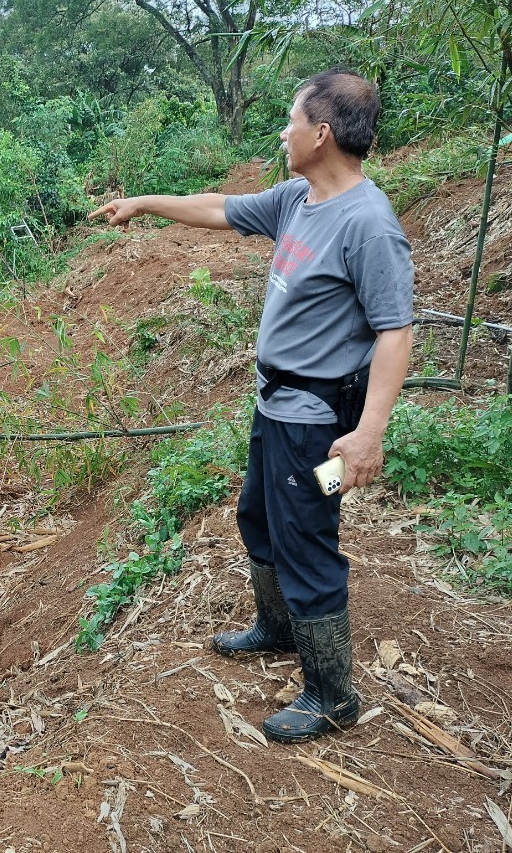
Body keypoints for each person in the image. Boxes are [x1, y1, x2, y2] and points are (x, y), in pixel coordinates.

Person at [90, 69, 414, 742]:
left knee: (306, 540)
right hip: (277, 405)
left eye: (291, 120)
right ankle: (277, 628)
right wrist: (144, 203)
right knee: (258, 516)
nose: (282, 131)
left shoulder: (368, 225)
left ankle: (332, 694)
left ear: (321, 134)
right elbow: (220, 208)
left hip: (315, 421)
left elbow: (394, 331)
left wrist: (369, 435)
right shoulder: (300, 198)